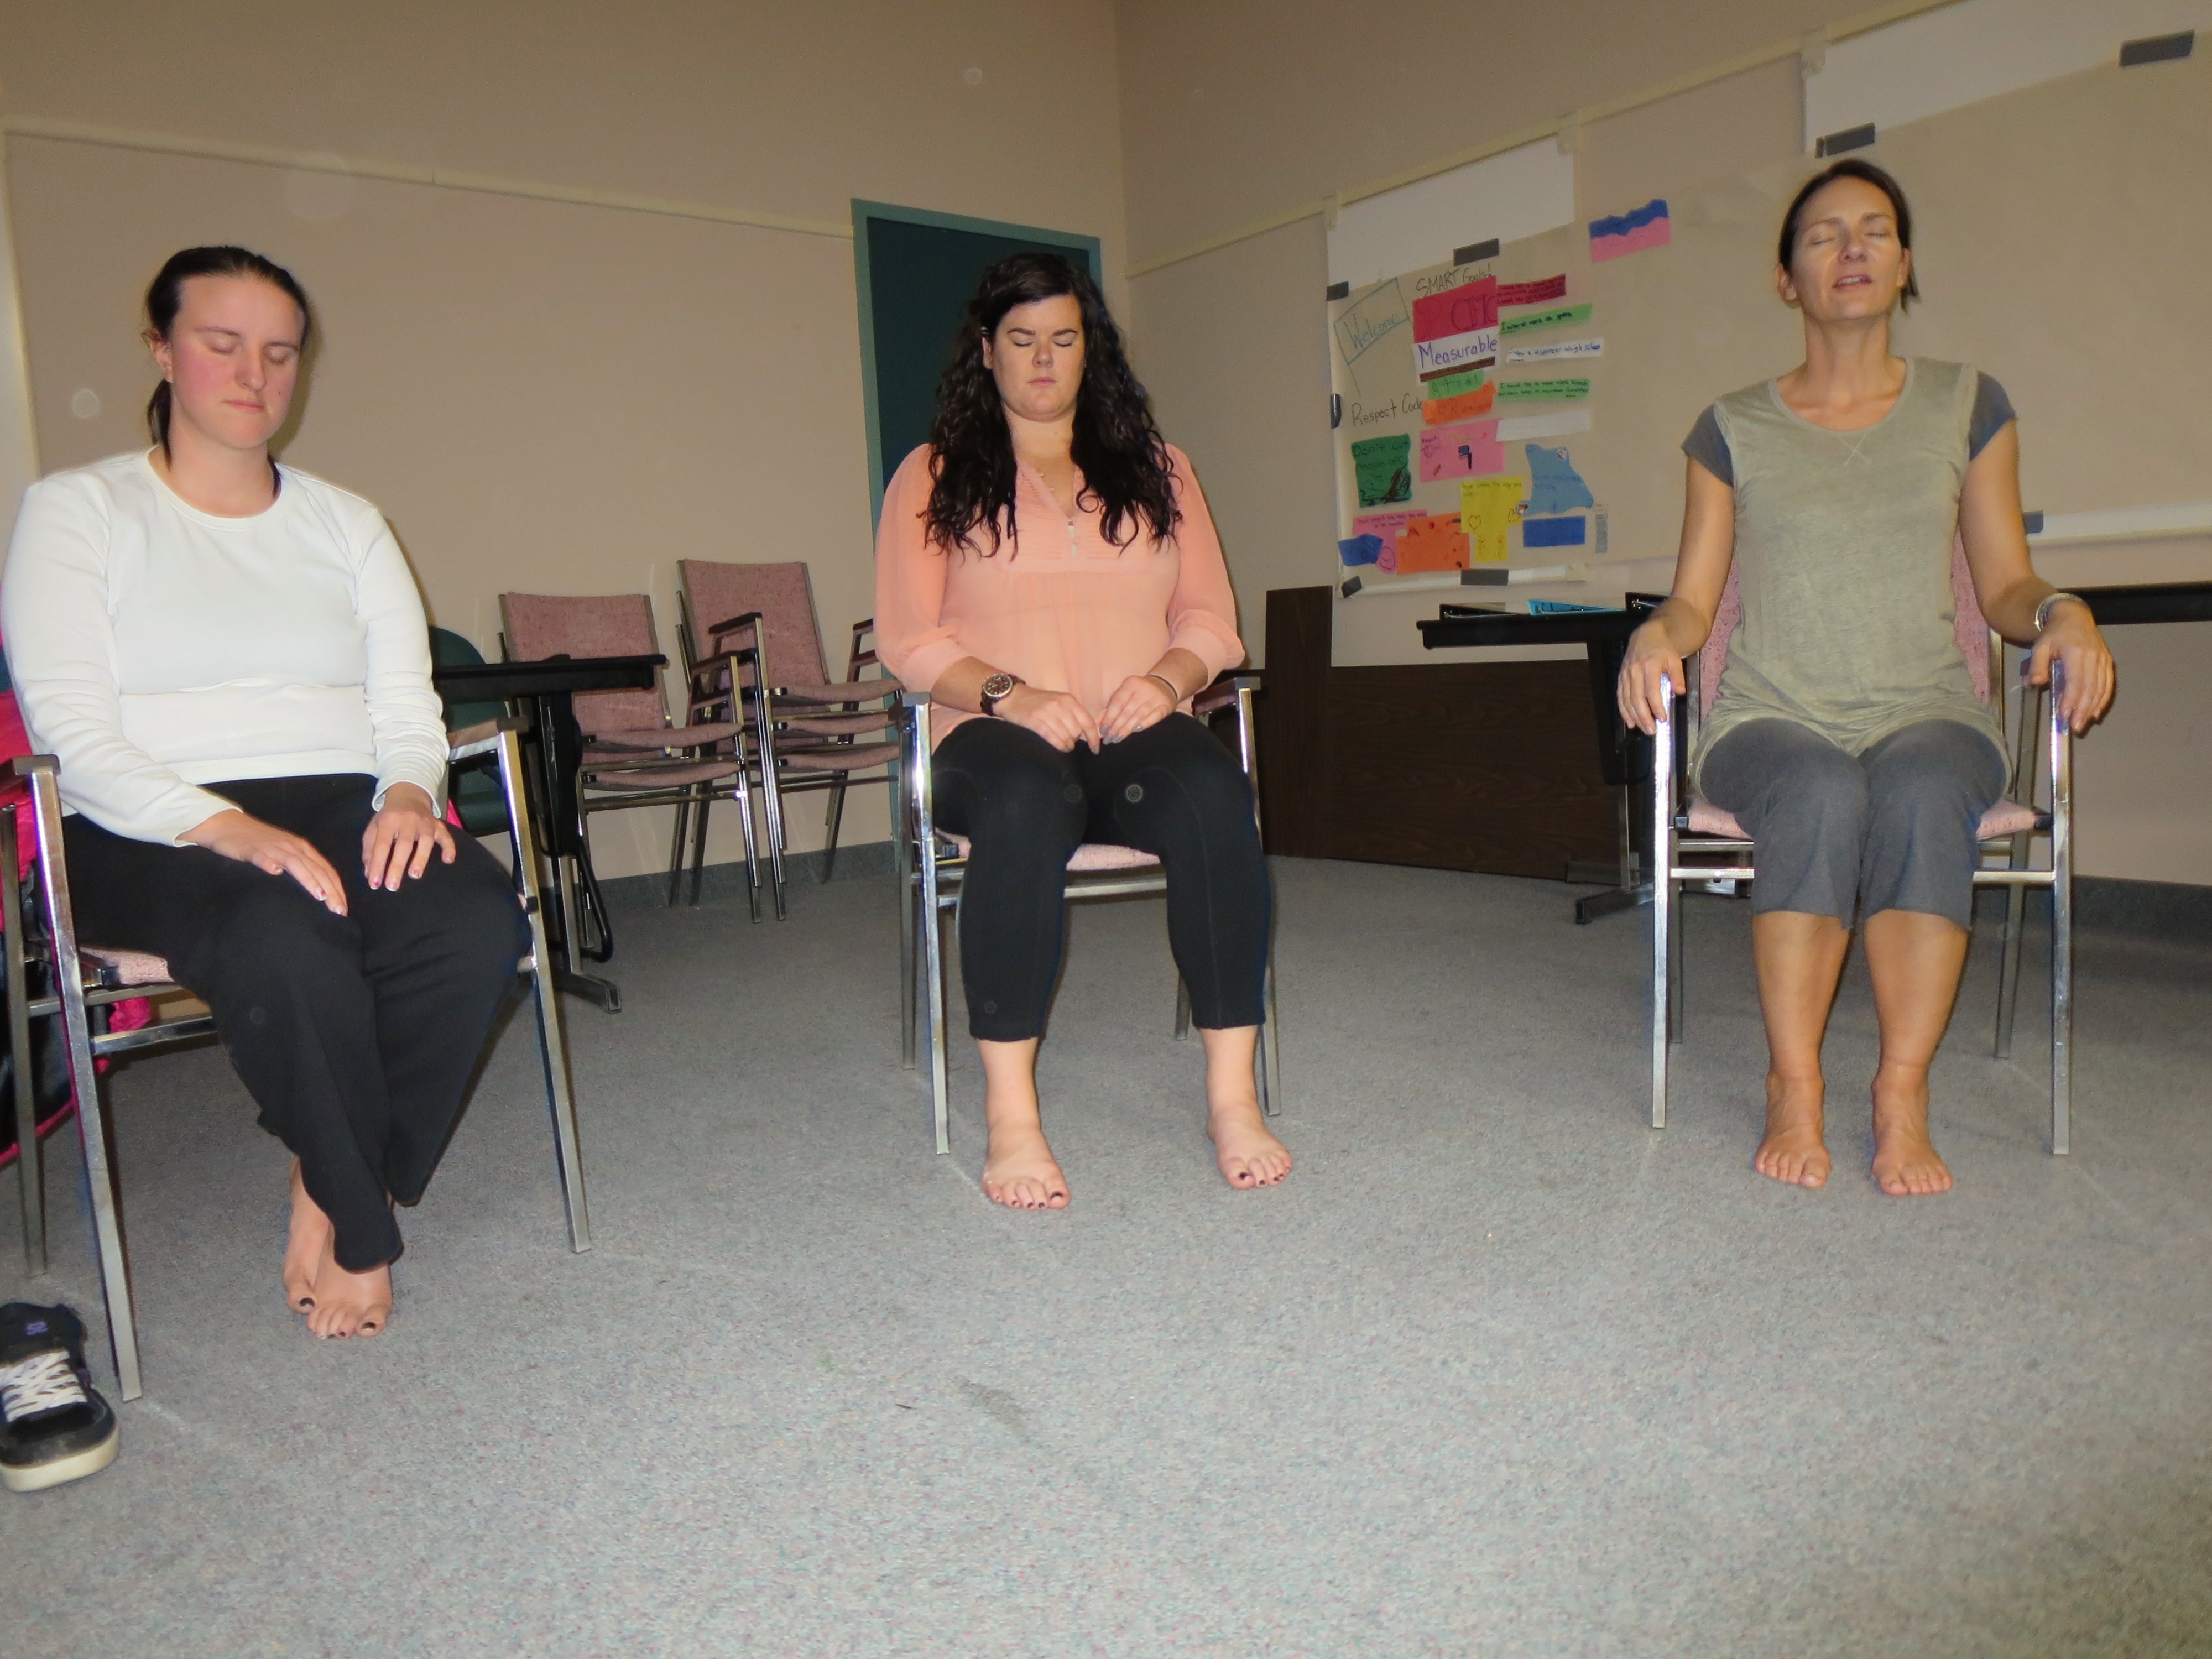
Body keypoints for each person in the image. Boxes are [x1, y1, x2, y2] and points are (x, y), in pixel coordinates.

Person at [2, 246, 526, 1335]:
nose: (255, 375)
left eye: (281, 353)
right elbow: (70, 731)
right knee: (281, 932)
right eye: (223, 344)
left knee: (473, 922)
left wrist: (409, 792)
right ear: (162, 350)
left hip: (340, 793)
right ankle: (363, 1227)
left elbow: (404, 701)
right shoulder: (78, 510)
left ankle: (323, 1169)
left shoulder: (347, 522)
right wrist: (222, 825)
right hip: (144, 819)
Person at [1617, 160, 2114, 1197]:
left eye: (1874, 231)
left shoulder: (1968, 404)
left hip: (1930, 710)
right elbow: (1695, 601)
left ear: (1904, 263)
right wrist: (1656, 635)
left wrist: (2063, 612)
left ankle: (1901, 1091)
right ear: (1786, 278)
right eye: (1823, 235)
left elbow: (2005, 585)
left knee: (1922, 790)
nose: (1851, 249)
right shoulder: (1730, 427)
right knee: (1818, 790)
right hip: (1769, 718)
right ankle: (1794, 1085)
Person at [875, 252, 1289, 1210]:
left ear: (1088, 348)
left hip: (1127, 729)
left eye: (1063, 339)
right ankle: (1012, 1113)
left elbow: (1211, 621)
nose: (1043, 360)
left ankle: (1233, 1097)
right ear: (986, 351)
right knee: (1027, 798)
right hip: (989, 740)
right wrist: (1010, 694)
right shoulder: (932, 475)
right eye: (1021, 340)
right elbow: (908, 638)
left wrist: (1168, 680)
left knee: (1214, 792)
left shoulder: (1161, 470)